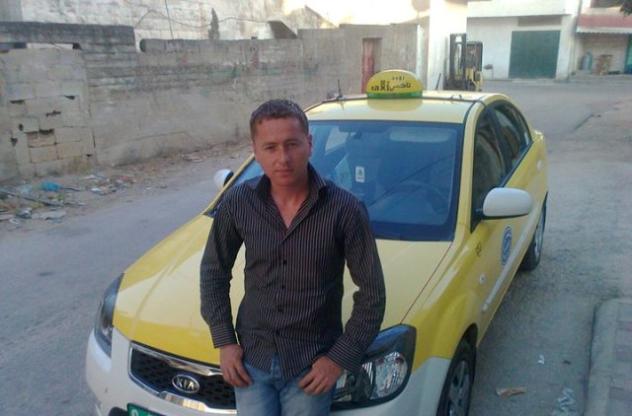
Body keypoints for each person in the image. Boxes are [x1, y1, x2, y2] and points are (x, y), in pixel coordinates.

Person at [200, 99, 386, 415]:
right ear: (255, 151)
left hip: (311, 366)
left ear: (309, 144)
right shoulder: (238, 203)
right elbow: (213, 271)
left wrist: (338, 359)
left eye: (292, 144)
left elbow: (373, 295)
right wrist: (225, 341)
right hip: (252, 361)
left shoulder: (344, 210)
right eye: (270, 148)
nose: (283, 158)